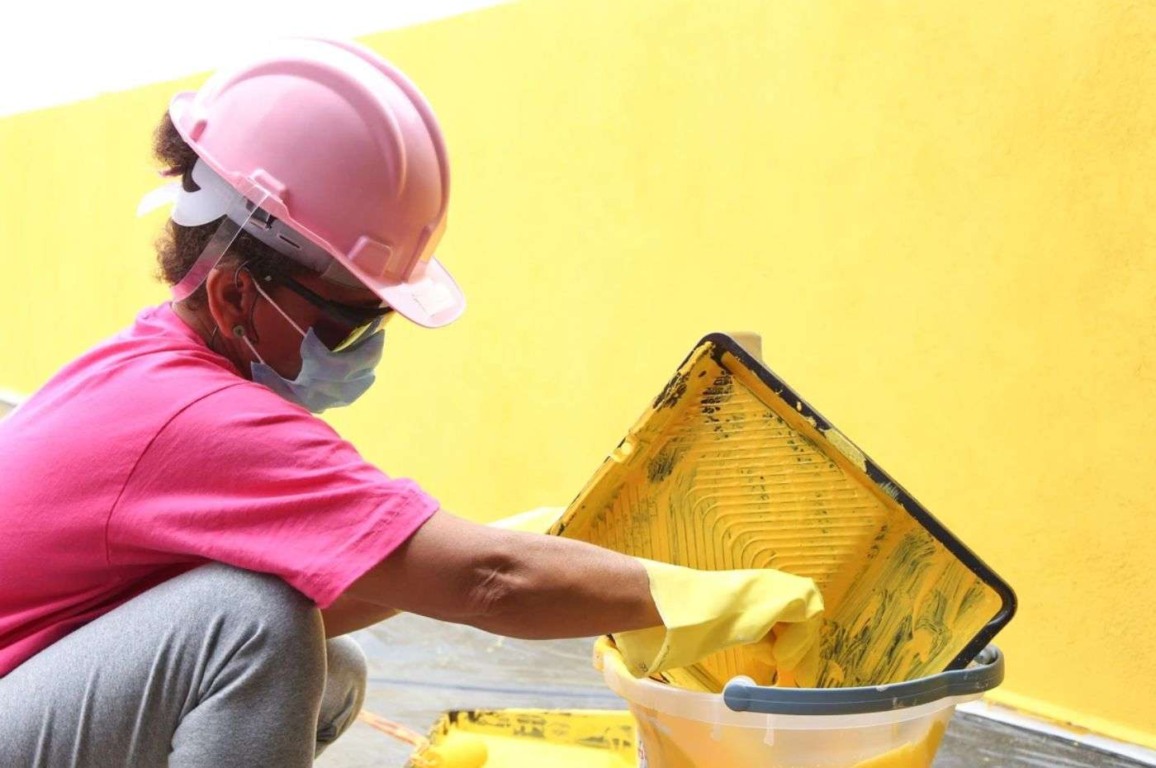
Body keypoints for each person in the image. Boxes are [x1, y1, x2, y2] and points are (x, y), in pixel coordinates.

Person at [0, 38, 822, 767]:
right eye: (347, 318)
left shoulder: (157, 367)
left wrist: (502, 551)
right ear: (236, 296)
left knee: (319, 663)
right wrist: (714, 597)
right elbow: (491, 583)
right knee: (254, 629)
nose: (364, 346)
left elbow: (356, 584)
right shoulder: (198, 420)